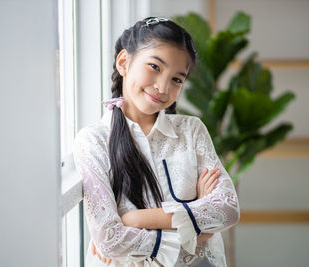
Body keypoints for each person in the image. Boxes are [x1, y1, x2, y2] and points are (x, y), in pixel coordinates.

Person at [73, 16, 240, 267]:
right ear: (124, 62)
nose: (163, 87)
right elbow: (109, 239)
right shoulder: (93, 141)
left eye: (177, 79)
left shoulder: (192, 130)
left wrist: (133, 219)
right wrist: (197, 223)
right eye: (155, 67)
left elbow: (227, 209)